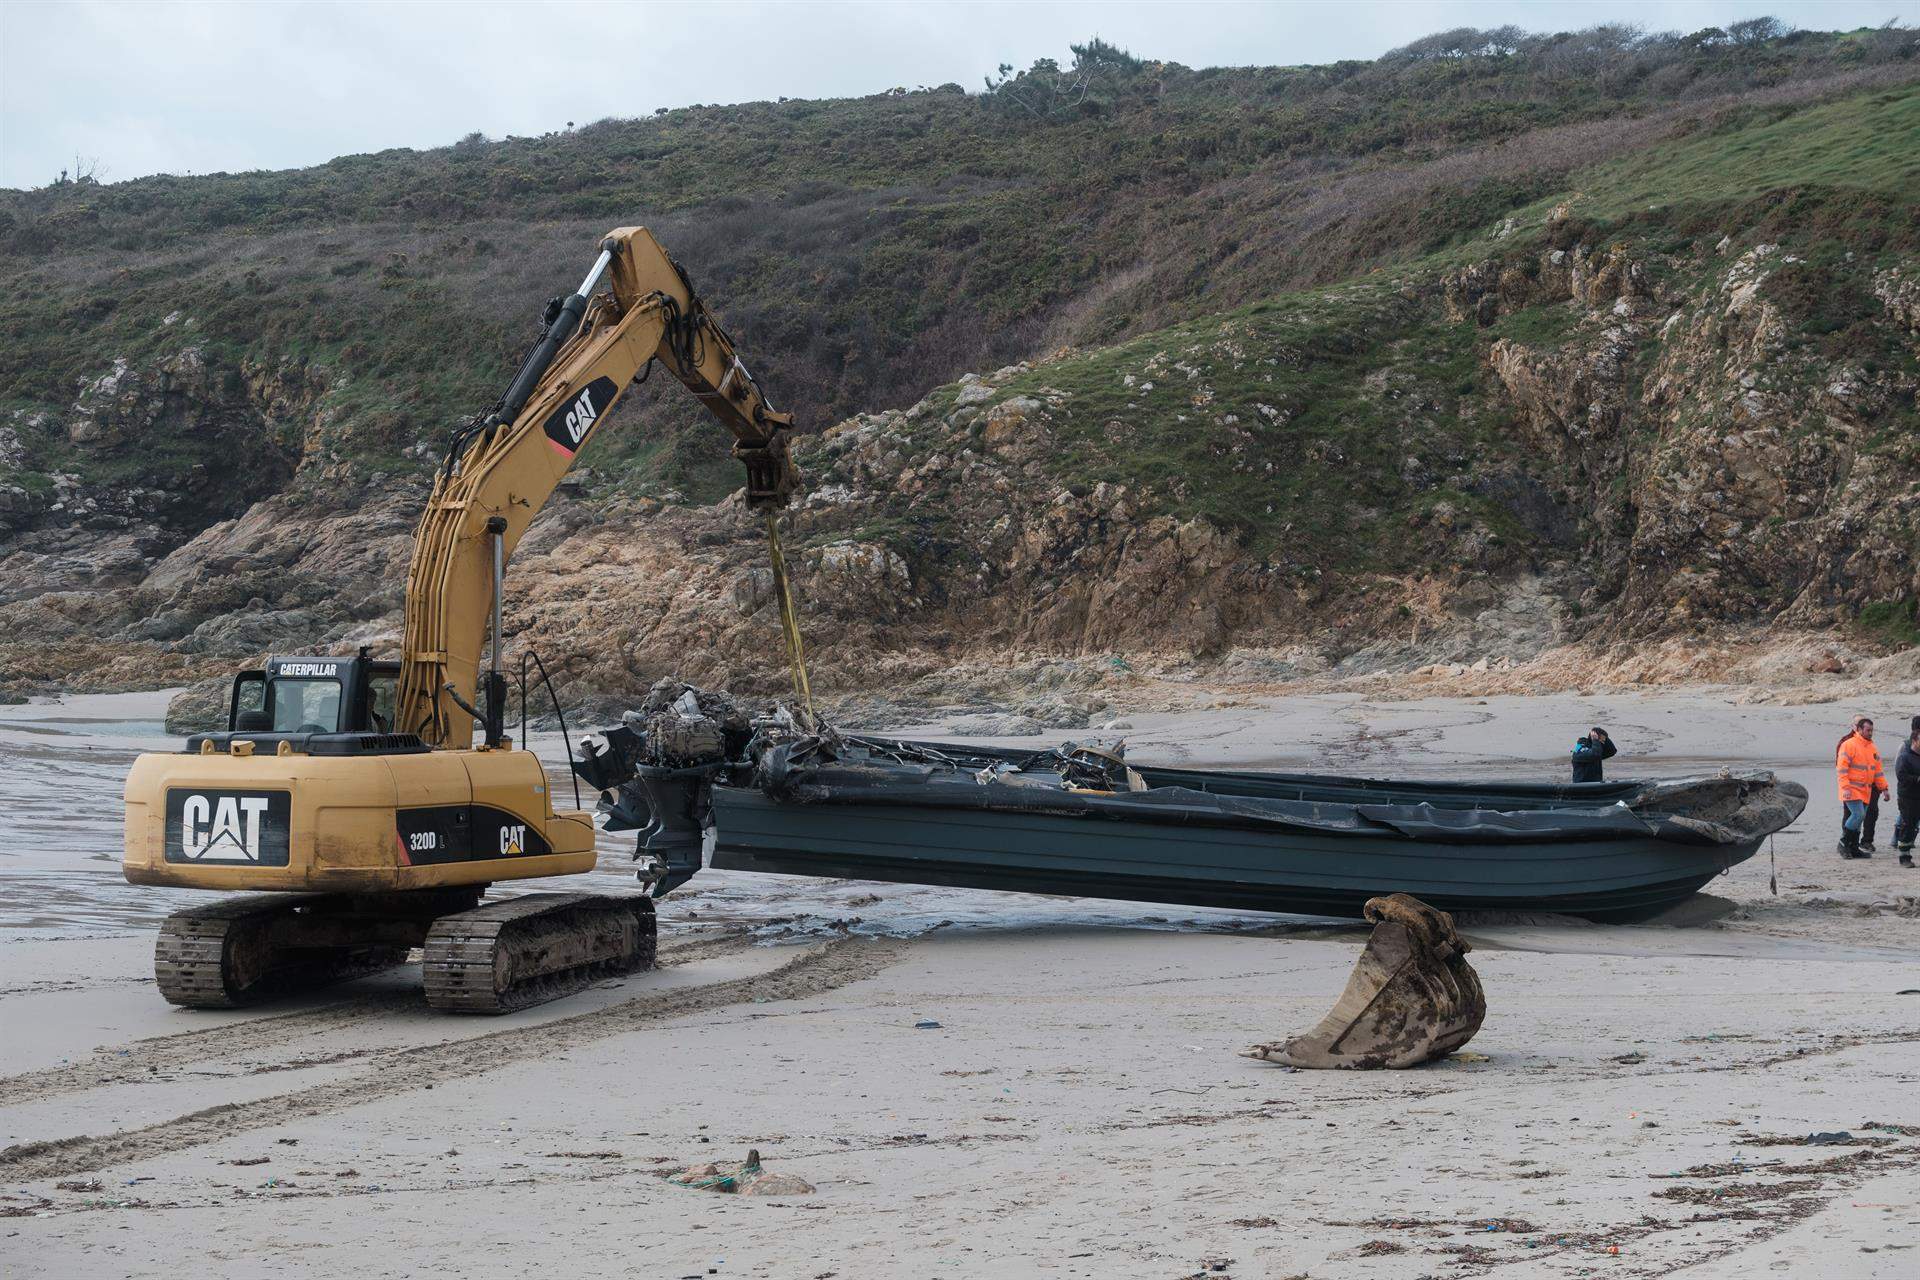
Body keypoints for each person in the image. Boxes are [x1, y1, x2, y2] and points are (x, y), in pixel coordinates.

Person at [1835, 715, 1890, 860]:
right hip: (1851, 789)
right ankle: (1843, 843)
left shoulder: (1872, 747)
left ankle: (1853, 848)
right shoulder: (1848, 744)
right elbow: (1841, 768)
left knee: (1859, 818)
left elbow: (1878, 771)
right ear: (1859, 729)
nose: (1870, 733)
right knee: (1858, 815)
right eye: (1868, 730)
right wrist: (1845, 787)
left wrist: (1884, 788)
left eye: (1872, 730)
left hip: (1866, 790)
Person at [1895, 715, 1919, 868]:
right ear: (1915, 741)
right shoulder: (1905, 757)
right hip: (1908, 797)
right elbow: (1901, 776)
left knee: (1914, 826)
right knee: (1908, 825)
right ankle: (1904, 856)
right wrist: (1917, 779)